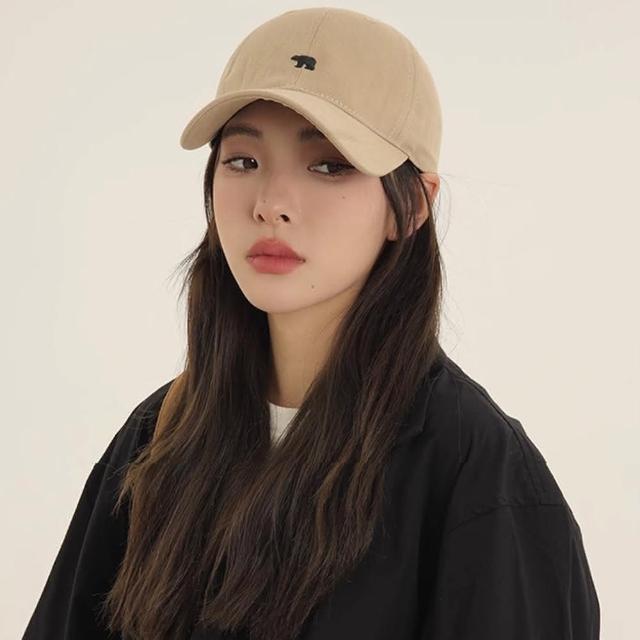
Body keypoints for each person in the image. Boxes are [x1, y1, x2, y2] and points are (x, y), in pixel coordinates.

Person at [22, 7, 600, 640]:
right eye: (243, 161)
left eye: (329, 165)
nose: (270, 204)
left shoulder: (478, 475)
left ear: (412, 205)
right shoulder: (159, 439)